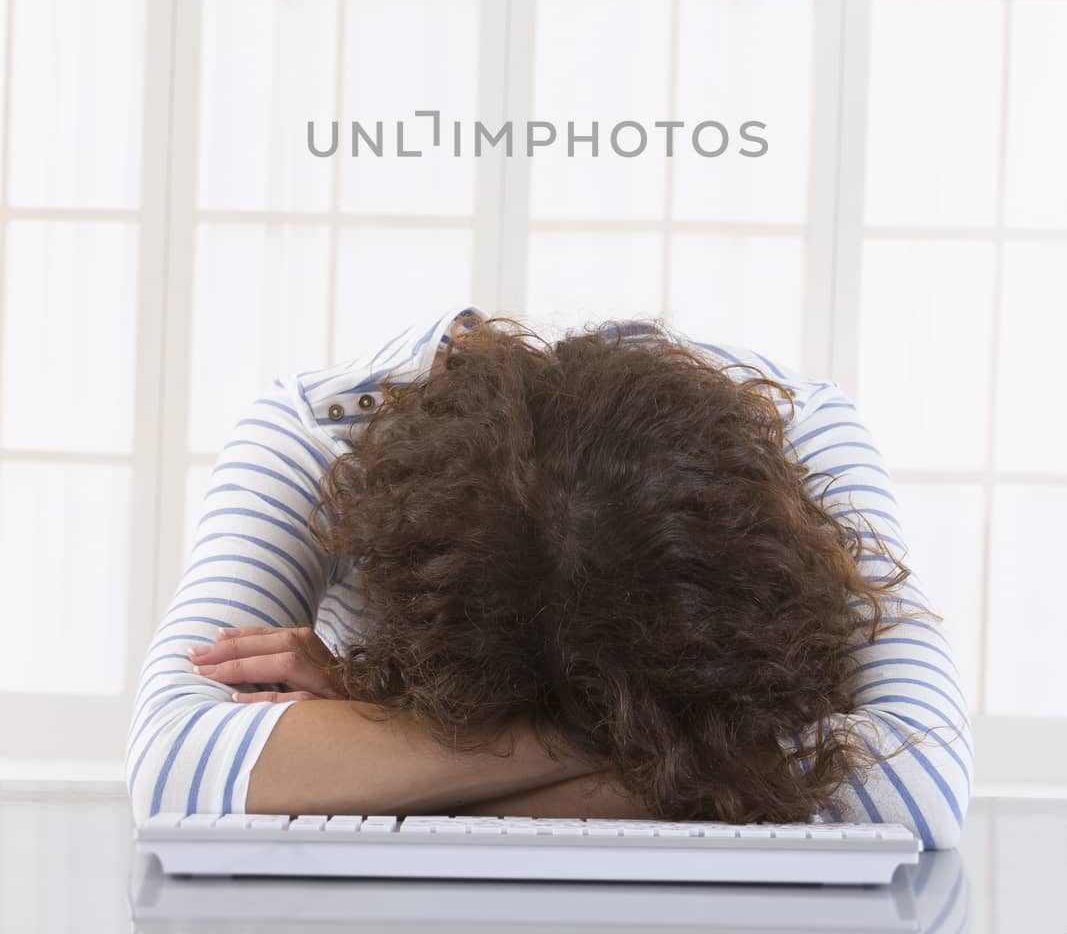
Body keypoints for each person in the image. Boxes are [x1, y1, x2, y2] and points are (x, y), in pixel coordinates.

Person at [125, 305, 972, 847]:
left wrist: (367, 736)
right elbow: (171, 766)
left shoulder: (801, 434)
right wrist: (688, 749)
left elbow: (921, 776)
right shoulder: (317, 433)